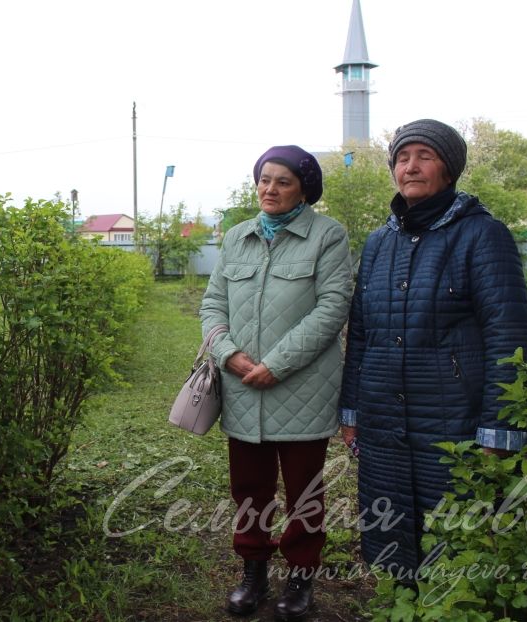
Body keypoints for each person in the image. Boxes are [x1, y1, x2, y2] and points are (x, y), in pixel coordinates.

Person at [339, 119, 527, 583]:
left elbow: (508, 337)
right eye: (403, 158)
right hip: (385, 418)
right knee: (390, 536)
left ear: (449, 169)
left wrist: (498, 429)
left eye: (425, 156)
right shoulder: (378, 242)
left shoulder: (483, 235)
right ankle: (399, 604)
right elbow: (361, 333)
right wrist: (351, 412)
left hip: (455, 422)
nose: (411, 167)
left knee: (455, 543)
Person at [201, 145, 353, 619]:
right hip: (243, 385)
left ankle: (302, 579)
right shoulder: (236, 237)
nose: (270, 189)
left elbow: (332, 308)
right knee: (249, 487)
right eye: (264, 179)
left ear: (304, 188)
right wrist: (230, 355)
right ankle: (253, 574)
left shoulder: (328, 236)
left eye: (283, 181)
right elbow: (212, 306)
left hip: (303, 388)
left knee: (304, 491)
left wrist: (277, 364)